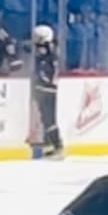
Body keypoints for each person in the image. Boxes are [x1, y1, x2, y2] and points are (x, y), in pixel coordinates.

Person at [32, 24, 64, 159]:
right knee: (46, 119)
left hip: (48, 92)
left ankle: (57, 146)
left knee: (50, 120)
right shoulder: (44, 56)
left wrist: (42, 82)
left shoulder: (51, 57)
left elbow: (49, 76)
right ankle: (51, 144)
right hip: (43, 90)